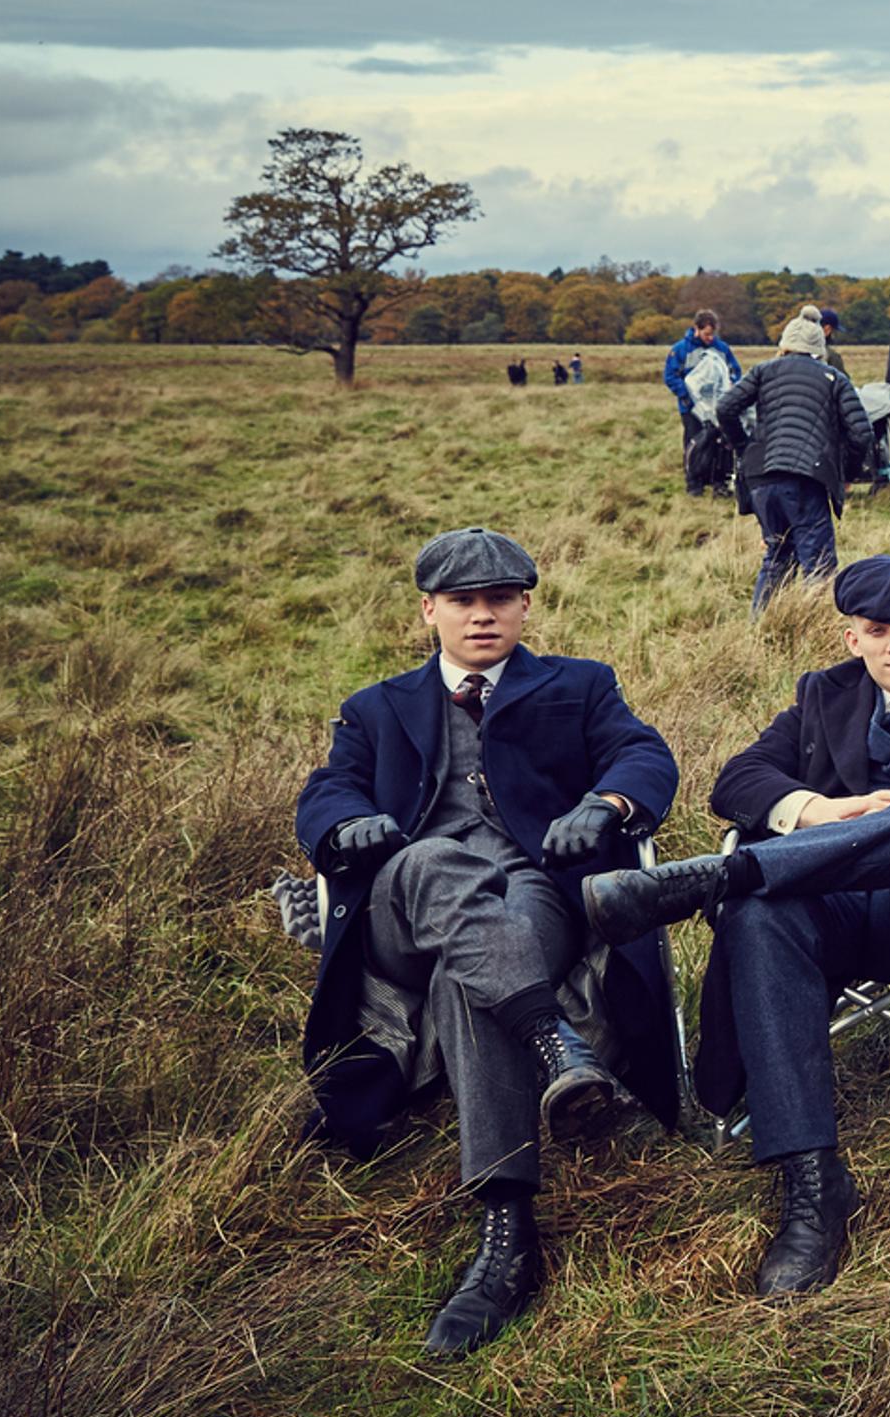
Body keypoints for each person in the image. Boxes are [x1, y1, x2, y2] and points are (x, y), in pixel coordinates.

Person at [580, 555, 890, 1297]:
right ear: (852, 639)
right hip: (833, 914)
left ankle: (722, 876)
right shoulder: (821, 695)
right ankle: (813, 1189)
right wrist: (819, 811)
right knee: (760, 914)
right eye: (877, 632)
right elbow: (737, 781)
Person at [292, 528, 681, 1357]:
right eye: (463, 602)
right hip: (408, 897)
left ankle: (508, 1234)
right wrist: (345, 822)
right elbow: (326, 789)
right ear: (428, 609)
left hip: (529, 886)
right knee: (433, 858)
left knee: (476, 973)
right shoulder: (376, 706)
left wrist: (607, 805)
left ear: (525, 606)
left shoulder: (579, 685)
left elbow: (643, 754)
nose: (482, 615)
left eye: (499, 598)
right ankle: (554, 1040)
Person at [717, 306, 874, 613]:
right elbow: (862, 433)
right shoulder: (834, 378)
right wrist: (848, 472)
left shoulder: (763, 371)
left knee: (776, 557)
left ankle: (760, 630)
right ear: (819, 349)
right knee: (818, 566)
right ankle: (814, 634)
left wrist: (746, 449)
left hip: (762, 479)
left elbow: (725, 408)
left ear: (785, 344)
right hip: (806, 479)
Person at [665, 310, 744, 497]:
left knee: (720, 445)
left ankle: (719, 483)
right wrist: (685, 395)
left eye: (712, 334)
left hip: (717, 407)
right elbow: (670, 376)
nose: (710, 338)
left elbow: (735, 370)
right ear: (696, 329)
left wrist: (731, 383)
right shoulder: (680, 349)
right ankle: (694, 484)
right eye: (707, 334)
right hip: (691, 408)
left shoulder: (722, 348)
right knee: (695, 444)